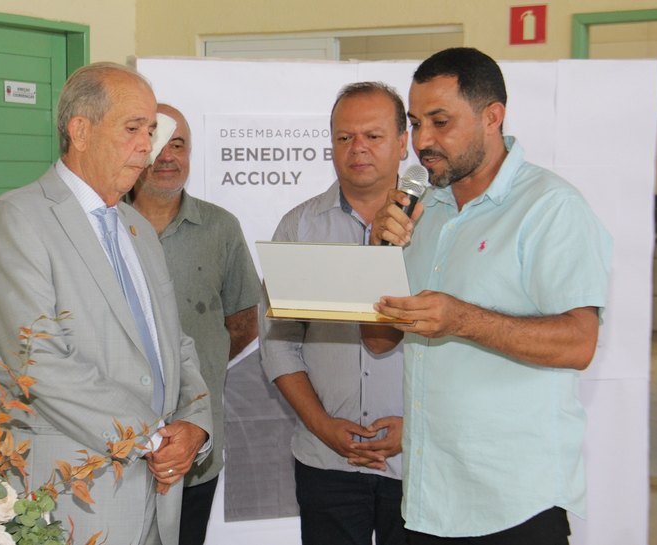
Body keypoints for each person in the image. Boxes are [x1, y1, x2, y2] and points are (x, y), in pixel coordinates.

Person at [366, 48, 612, 544]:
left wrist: (462, 320)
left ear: (492, 117)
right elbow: (377, 341)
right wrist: (376, 256)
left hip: (514, 503)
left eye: (440, 122)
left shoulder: (550, 207)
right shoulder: (420, 209)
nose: (422, 142)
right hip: (426, 498)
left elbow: (579, 343)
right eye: (415, 124)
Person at [0, 62, 213, 545]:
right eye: (133, 129)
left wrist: (195, 427)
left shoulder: (137, 229)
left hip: (156, 490)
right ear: (80, 130)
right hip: (66, 498)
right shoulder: (16, 220)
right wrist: (153, 440)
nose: (149, 145)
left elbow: (176, 344)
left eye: (151, 130)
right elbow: (37, 363)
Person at [259, 81, 409, 545]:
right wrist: (321, 425)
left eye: (373, 135)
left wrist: (420, 426)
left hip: (419, 460)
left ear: (404, 143)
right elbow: (278, 344)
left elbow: (465, 348)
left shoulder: (441, 226)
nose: (357, 148)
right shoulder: (299, 227)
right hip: (326, 461)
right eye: (344, 137)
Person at [125, 103, 262, 545]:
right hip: (113, 439)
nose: (167, 156)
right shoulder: (105, 225)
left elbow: (243, 320)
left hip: (194, 440)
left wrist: (197, 370)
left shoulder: (221, 228)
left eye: (178, 144)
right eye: (157, 144)